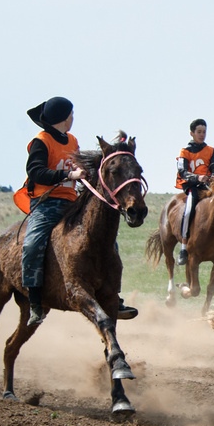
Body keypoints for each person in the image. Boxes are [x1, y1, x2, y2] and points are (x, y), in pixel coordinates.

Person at [19, 98, 136, 326]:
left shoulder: (72, 140)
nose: (73, 118)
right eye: (71, 114)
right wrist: (68, 175)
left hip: (71, 202)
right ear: (62, 117)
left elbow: (79, 164)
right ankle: (35, 303)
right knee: (33, 244)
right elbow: (35, 173)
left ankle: (113, 298)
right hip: (45, 203)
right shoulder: (40, 142)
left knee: (108, 240)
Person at [174, 118, 214, 265]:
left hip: (208, 186)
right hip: (193, 186)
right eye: (199, 132)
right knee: (188, 211)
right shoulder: (185, 152)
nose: (202, 135)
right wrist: (196, 177)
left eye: (204, 132)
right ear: (192, 133)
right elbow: (182, 171)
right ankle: (183, 247)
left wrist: (212, 177)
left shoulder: (211, 151)